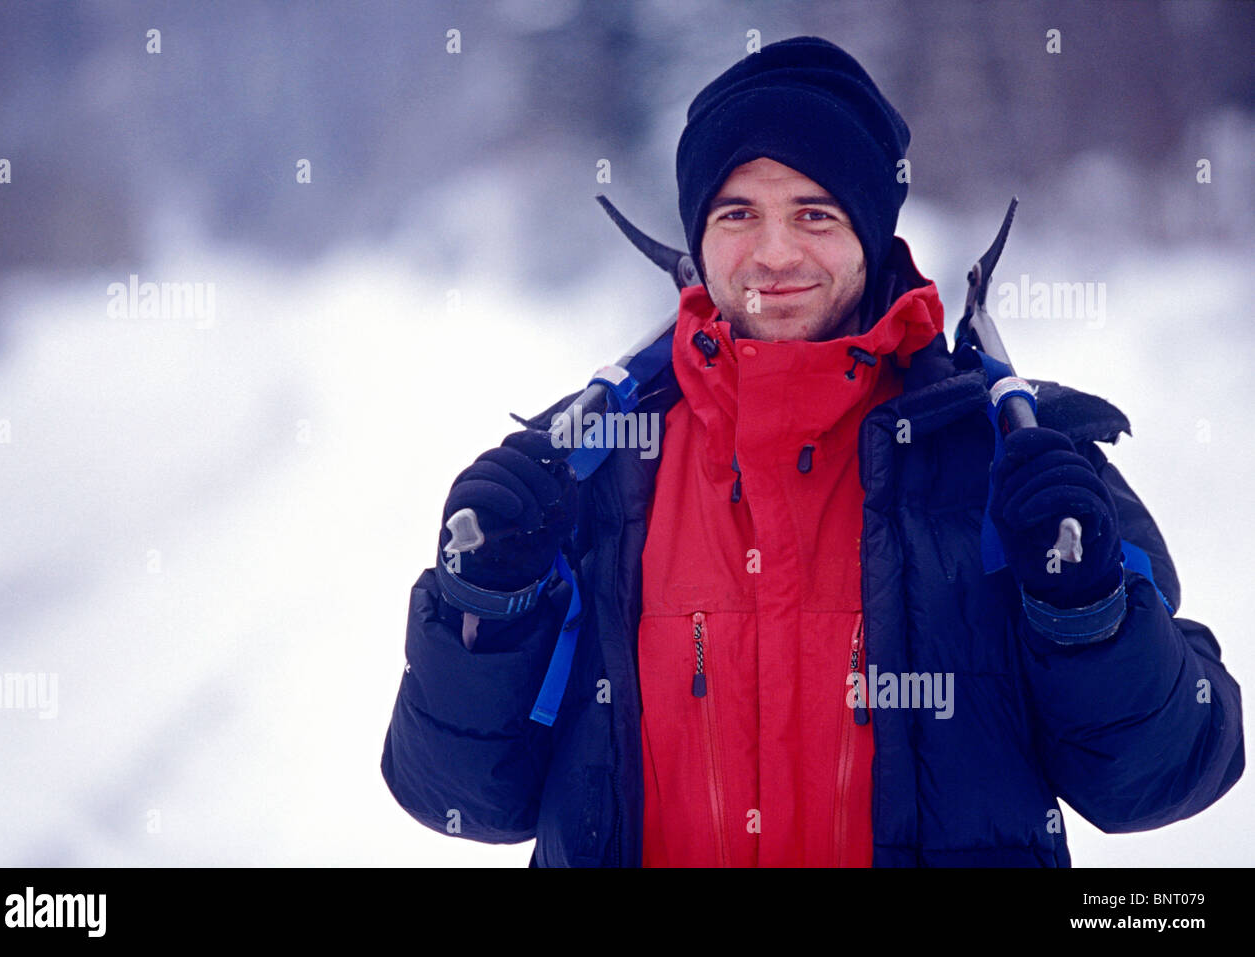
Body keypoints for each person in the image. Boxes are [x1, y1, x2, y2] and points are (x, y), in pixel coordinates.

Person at [380, 36, 1244, 867]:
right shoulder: (589, 472)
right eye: (738, 213)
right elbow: (462, 798)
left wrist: (1086, 611)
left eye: (815, 213)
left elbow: (1162, 778)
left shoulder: (1013, 463)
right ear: (700, 233)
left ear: (871, 233)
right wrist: (483, 610)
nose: (776, 252)